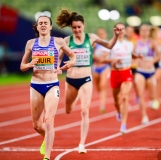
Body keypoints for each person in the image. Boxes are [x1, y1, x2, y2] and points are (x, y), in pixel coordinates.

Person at [56, 9, 122, 153]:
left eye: (79, 27)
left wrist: (116, 36)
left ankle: (82, 144)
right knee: (68, 109)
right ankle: (73, 100)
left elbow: (109, 45)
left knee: (85, 111)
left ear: (83, 25)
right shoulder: (67, 40)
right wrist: (58, 68)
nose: (77, 30)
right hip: (71, 80)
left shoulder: (91, 38)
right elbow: (59, 57)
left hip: (86, 79)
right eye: (74, 27)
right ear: (71, 28)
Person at [20, 15, 76, 160]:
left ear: (50, 27)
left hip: (52, 84)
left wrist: (71, 63)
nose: (43, 25)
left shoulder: (58, 41)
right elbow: (22, 66)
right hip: (36, 85)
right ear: (37, 27)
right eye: (40, 23)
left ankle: (47, 156)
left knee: (49, 120)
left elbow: (72, 55)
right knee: (37, 125)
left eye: (46, 23)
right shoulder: (31, 43)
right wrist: (29, 65)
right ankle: (46, 138)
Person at [101, 22, 134, 133]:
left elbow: (131, 54)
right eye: (118, 29)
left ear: (124, 31)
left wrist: (137, 56)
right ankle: (119, 111)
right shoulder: (110, 44)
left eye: (122, 29)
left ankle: (123, 124)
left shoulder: (129, 44)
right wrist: (112, 60)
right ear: (114, 30)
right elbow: (102, 59)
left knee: (125, 97)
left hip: (126, 72)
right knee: (116, 101)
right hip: (115, 73)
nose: (120, 31)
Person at [134, 24, 161, 124]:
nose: (144, 32)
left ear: (149, 32)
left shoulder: (152, 43)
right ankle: (144, 116)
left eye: (146, 30)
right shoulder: (136, 43)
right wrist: (135, 60)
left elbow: (159, 56)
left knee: (152, 96)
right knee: (140, 93)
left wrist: (152, 61)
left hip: (150, 72)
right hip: (140, 71)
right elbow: (133, 56)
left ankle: (153, 100)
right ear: (140, 32)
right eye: (142, 30)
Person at [92, 27, 110, 113]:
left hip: (105, 67)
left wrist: (102, 58)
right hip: (95, 68)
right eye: (99, 33)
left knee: (103, 86)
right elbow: (90, 53)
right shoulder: (95, 44)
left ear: (105, 34)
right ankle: (101, 97)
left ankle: (102, 105)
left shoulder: (108, 43)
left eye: (102, 33)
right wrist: (96, 57)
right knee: (98, 87)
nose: (101, 35)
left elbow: (107, 54)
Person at [149, 26, 161, 107]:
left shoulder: (160, 41)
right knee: (153, 82)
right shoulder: (149, 42)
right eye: (157, 32)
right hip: (151, 65)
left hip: (159, 64)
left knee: (156, 80)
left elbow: (160, 53)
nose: (158, 34)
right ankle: (153, 98)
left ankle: (156, 100)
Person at [126, 25, 139, 105]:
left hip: (135, 66)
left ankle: (138, 95)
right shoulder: (123, 41)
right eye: (128, 31)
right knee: (127, 84)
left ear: (133, 32)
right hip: (127, 66)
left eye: (131, 31)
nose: (129, 33)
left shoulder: (137, 41)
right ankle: (127, 101)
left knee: (135, 83)